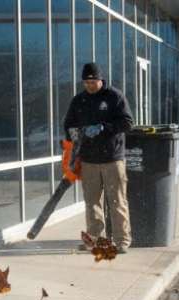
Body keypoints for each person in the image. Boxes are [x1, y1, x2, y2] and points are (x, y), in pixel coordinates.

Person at [63, 62, 134, 252]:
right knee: (91, 201)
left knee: (117, 200)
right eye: (86, 82)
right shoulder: (79, 101)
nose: (90, 85)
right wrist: (75, 136)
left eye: (93, 81)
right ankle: (94, 238)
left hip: (112, 158)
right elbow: (68, 125)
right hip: (89, 160)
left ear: (101, 79)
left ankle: (122, 241)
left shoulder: (114, 97)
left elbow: (127, 123)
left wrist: (104, 127)